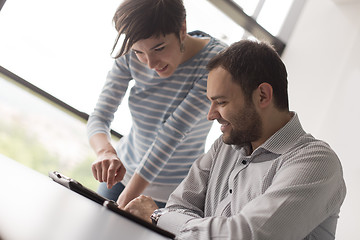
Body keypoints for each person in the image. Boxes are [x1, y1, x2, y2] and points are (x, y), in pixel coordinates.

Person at [123, 40, 347, 239]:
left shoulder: (316, 162)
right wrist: (173, 219)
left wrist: (157, 216)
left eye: (220, 102)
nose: (211, 114)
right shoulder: (224, 146)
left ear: (263, 95)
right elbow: (178, 206)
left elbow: (246, 235)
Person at [86, 0, 227, 209]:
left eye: (158, 49)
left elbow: (172, 133)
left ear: (182, 29)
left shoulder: (216, 62)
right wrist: (104, 152)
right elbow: (100, 115)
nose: (150, 64)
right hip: (121, 176)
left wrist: (124, 202)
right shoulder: (130, 51)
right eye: (139, 52)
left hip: (172, 193)